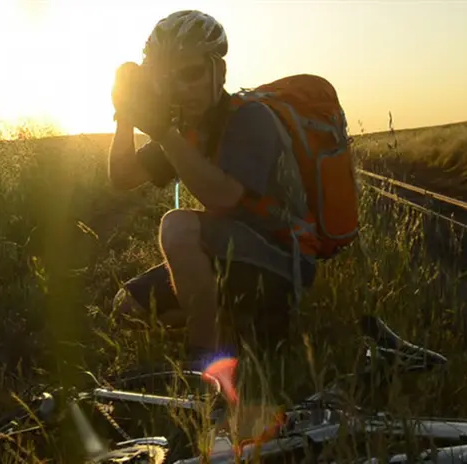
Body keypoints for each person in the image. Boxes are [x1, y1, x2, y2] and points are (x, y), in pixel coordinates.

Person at [107, 10, 359, 366]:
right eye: (168, 77)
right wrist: (126, 115)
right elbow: (122, 176)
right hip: (232, 259)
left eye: (190, 73)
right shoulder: (185, 130)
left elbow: (222, 196)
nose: (181, 87)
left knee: (178, 226)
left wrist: (163, 132)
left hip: (283, 264)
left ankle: (206, 363)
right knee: (126, 307)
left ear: (219, 71)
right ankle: (236, 327)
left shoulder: (251, 119)